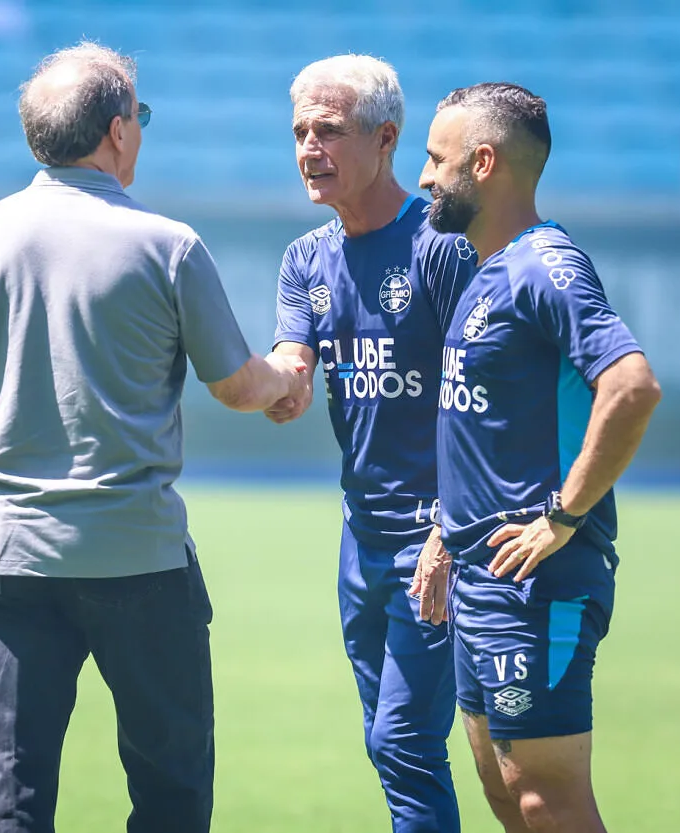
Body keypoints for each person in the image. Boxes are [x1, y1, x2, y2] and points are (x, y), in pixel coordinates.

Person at [0, 42, 308, 833]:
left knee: (15, 796)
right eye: (141, 117)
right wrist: (287, 379)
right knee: (170, 789)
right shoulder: (168, 244)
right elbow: (234, 384)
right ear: (119, 132)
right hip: (139, 558)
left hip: (7, 558)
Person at [418, 82, 662, 833]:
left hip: (538, 582)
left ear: (482, 162)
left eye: (436, 158)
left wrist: (563, 515)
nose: (425, 176)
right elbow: (484, 425)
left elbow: (632, 385)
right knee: (502, 788)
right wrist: (442, 534)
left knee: (543, 799)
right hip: (480, 576)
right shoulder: (482, 267)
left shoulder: (546, 266)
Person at [267, 55, 476, 833]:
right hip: (361, 539)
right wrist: (262, 383)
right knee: (388, 743)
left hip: (441, 536)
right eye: (299, 133)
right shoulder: (305, 259)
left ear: (387, 138)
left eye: (329, 130)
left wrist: (450, 529)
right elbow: (293, 363)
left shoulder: (443, 248)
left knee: (405, 739)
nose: (309, 149)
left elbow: (480, 401)